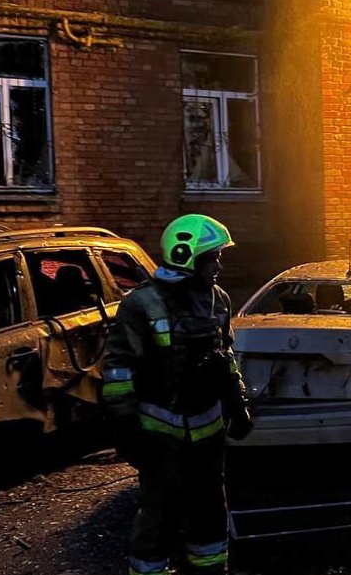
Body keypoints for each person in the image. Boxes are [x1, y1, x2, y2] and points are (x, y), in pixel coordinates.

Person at [100, 214, 254, 575]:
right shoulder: (141, 304)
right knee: (160, 515)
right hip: (160, 431)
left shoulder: (218, 299)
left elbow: (225, 354)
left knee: (211, 512)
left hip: (208, 428)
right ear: (188, 257)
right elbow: (118, 369)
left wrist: (238, 400)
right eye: (213, 257)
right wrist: (124, 425)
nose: (219, 265)